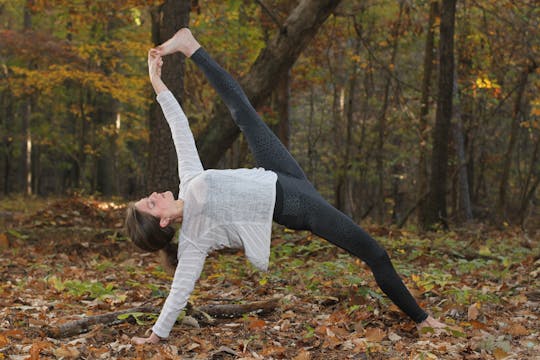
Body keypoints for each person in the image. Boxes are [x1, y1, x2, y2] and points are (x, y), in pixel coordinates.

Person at [125, 28, 445, 345]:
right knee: (374, 253)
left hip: (278, 172)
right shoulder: (195, 237)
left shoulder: (189, 181)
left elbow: (179, 126)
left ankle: (189, 45)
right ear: (164, 221)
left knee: (243, 112)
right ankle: (422, 319)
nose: (153, 195)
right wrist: (156, 334)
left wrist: (157, 82)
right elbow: (181, 287)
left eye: (147, 198)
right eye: (151, 204)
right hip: (295, 206)